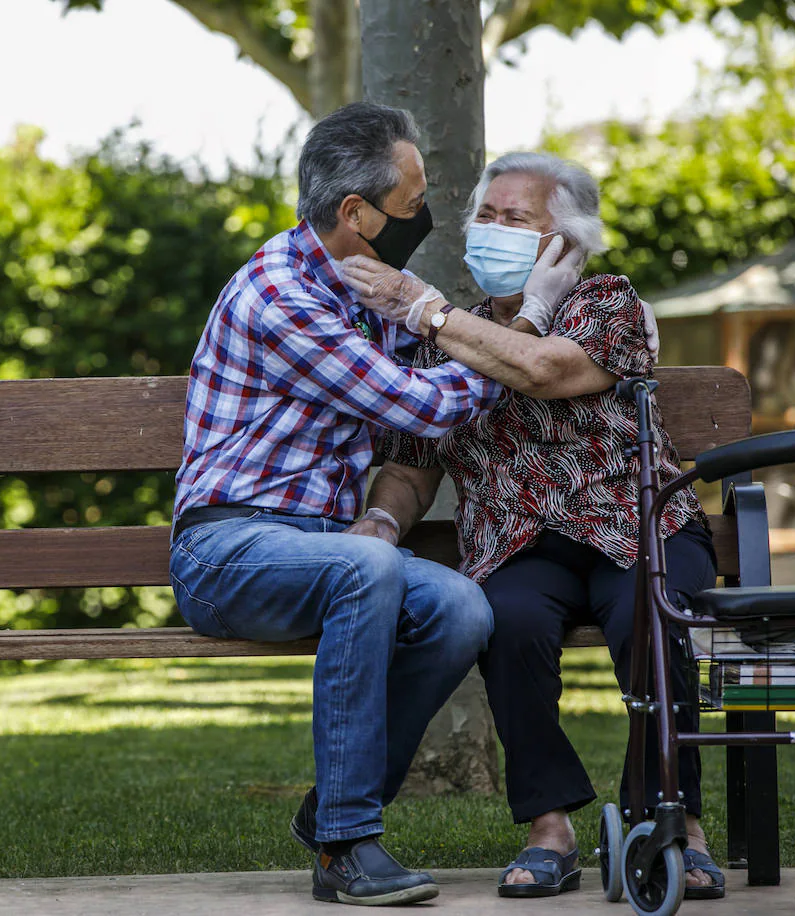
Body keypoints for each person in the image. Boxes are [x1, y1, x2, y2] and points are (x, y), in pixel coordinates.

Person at [170, 102, 578, 907]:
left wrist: (454, 315)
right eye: (411, 203)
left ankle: (331, 808)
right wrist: (527, 318)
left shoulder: (372, 287)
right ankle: (347, 846)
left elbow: (444, 360)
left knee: (463, 608)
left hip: (323, 549)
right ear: (354, 212)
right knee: (367, 565)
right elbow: (425, 407)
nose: (425, 218)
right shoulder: (283, 295)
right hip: (227, 553)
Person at [341, 151, 724, 900]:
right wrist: (383, 520)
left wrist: (433, 311)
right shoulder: (442, 334)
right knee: (505, 620)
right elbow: (415, 462)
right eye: (487, 215)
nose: (494, 229)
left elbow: (545, 369)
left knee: (654, 618)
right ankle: (549, 827)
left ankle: (676, 820)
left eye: (517, 219)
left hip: (636, 530)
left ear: (566, 241)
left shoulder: (608, 303)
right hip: (516, 542)